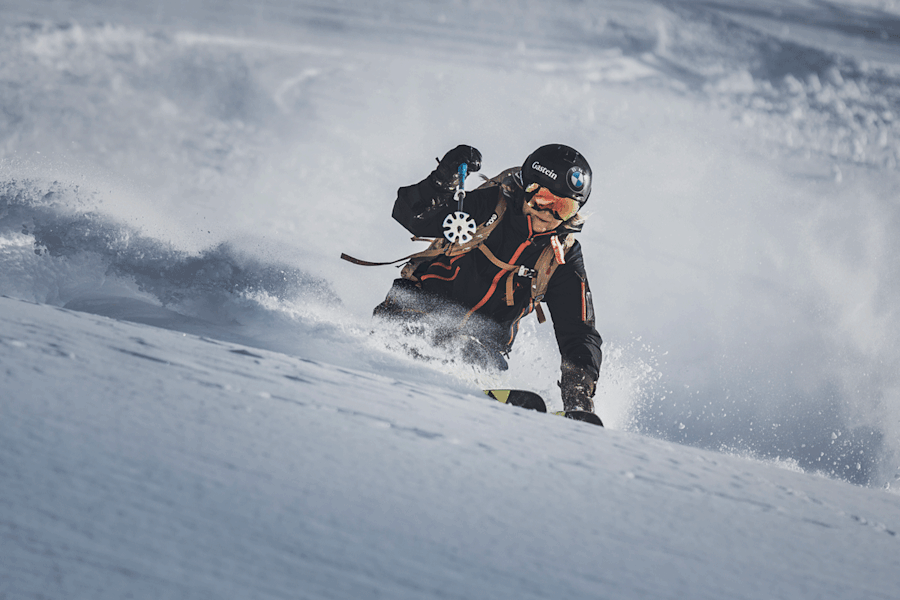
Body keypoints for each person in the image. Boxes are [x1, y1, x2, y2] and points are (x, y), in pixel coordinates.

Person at [373, 144, 603, 424]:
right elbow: (413, 216)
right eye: (543, 199)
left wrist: (578, 395)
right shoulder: (490, 207)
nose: (549, 215)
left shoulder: (560, 256)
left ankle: (471, 390)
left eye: (563, 208)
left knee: (471, 352)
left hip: (477, 352)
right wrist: (443, 180)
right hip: (412, 315)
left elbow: (578, 332)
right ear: (526, 188)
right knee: (449, 343)